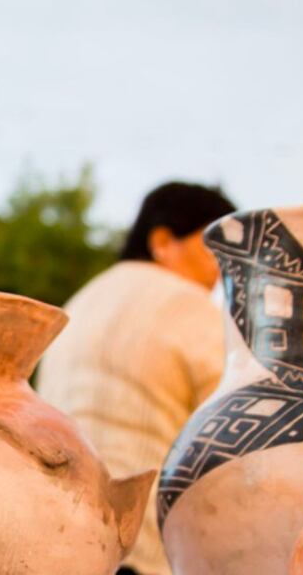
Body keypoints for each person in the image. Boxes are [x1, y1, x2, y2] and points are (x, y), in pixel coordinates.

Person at [36, 182, 236, 575]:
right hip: (141, 548)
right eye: (214, 247)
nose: (222, 267)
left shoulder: (77, 304)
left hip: (52, 540)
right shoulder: (189, 304)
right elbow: (230, 430)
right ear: (162, 240)